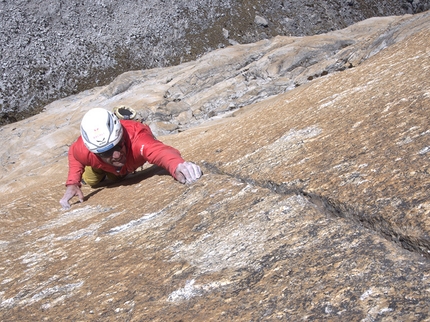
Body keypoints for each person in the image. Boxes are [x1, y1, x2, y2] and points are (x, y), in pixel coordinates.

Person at [59, 108, 202, 209]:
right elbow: (74, 154)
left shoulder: (137, 138)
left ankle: (114, 168)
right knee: (92, 181)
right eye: (105, 152)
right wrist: (73, 183)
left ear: (122, 136)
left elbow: (159, 151)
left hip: (123, 167)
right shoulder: (84, 151)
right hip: (101, 166)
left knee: (117, 178)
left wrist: (177, 165)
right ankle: (105, 169)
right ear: (94, 152)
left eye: (118, 146)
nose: (116, 155)